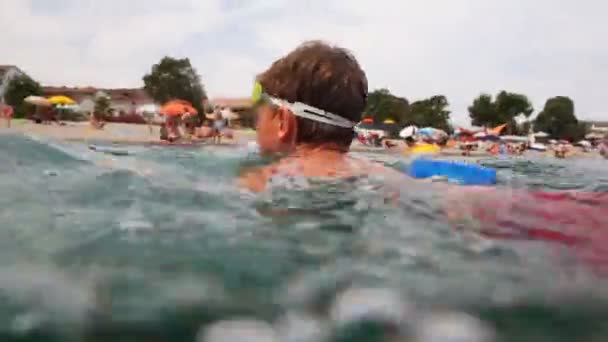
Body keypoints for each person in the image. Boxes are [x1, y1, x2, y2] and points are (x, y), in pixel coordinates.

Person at [239, 41, 374, 192]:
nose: (257, 127)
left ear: (283, 122)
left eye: (258, 118)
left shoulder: (258, 181)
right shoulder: (390, 181)